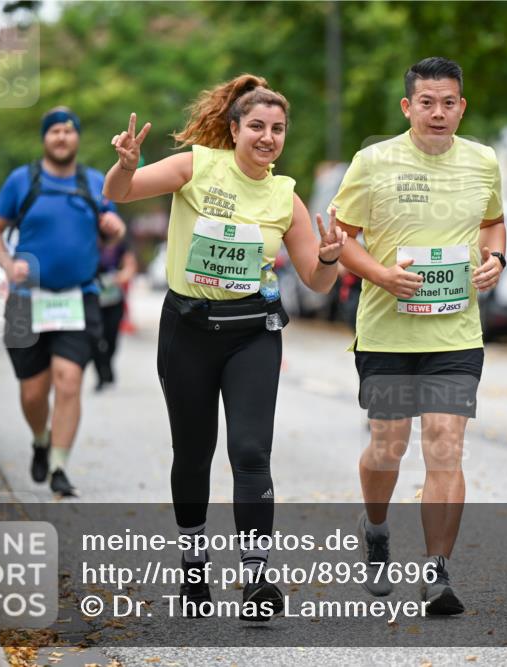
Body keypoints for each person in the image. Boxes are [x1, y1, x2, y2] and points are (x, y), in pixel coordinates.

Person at [103, 74, 345, 620]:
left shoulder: (286, 196)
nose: (267, 137)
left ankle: (257, 580)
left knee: (251, 452)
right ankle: (194, 570)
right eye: (256, 126)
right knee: (193, 455)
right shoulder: (196, 165)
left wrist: (329, 256)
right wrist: (125, 163)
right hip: (188, 330)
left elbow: (315, 280)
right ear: (233, 129)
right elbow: (119, 193)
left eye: (277, 129)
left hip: (252, 334)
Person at [332, 57, 506, 615]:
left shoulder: (484, 161)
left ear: (462, 106)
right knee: (388, 447)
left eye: (448, 102)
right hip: (386, 333)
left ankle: (437, 572)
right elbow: (341, 236)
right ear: (407, 107)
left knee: (445, 446)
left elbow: (492, 221)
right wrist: (380, 273)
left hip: (455, 333)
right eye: (426, 102)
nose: (438, 112)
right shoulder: (373, 161)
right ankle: (376, 526)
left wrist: (496, 256)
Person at [0, 106, 126, 498]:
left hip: (80, 297)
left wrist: (114, 229)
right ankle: (40, 439)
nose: (62, 137)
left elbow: (112, 229)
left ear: (77, 138)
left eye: (69, 130)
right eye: (54, 131)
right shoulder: (22, 180)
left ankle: (60, 466)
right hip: (27, 301)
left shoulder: (94, 181)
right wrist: (7, 264)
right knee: (32, 392)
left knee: (69, 381)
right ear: (44, 139)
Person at [92, 236, 138, 391]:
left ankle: (108, 366)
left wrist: (120, 277)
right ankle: (101, 376)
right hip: (94, 301)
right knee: (96, 339)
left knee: (111, 338)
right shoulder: (90, 242)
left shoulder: (121, 245)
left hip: (114, 301)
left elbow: (130, 267)